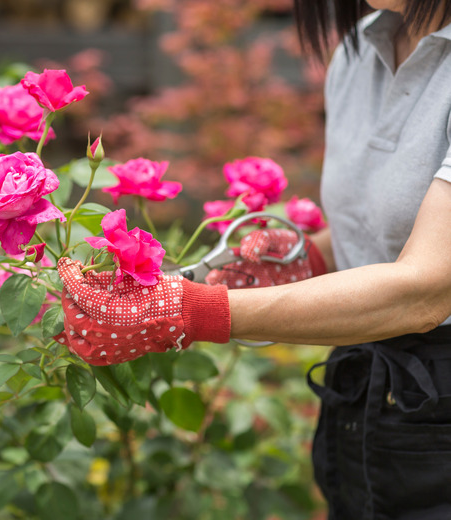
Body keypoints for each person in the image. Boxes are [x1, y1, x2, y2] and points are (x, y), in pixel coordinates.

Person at [56, 1, 451, 518]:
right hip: (365, 390)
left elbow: (426, 289)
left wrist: (191, 310)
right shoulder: (359, 51)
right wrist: (295, 256)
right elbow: (381, 228)